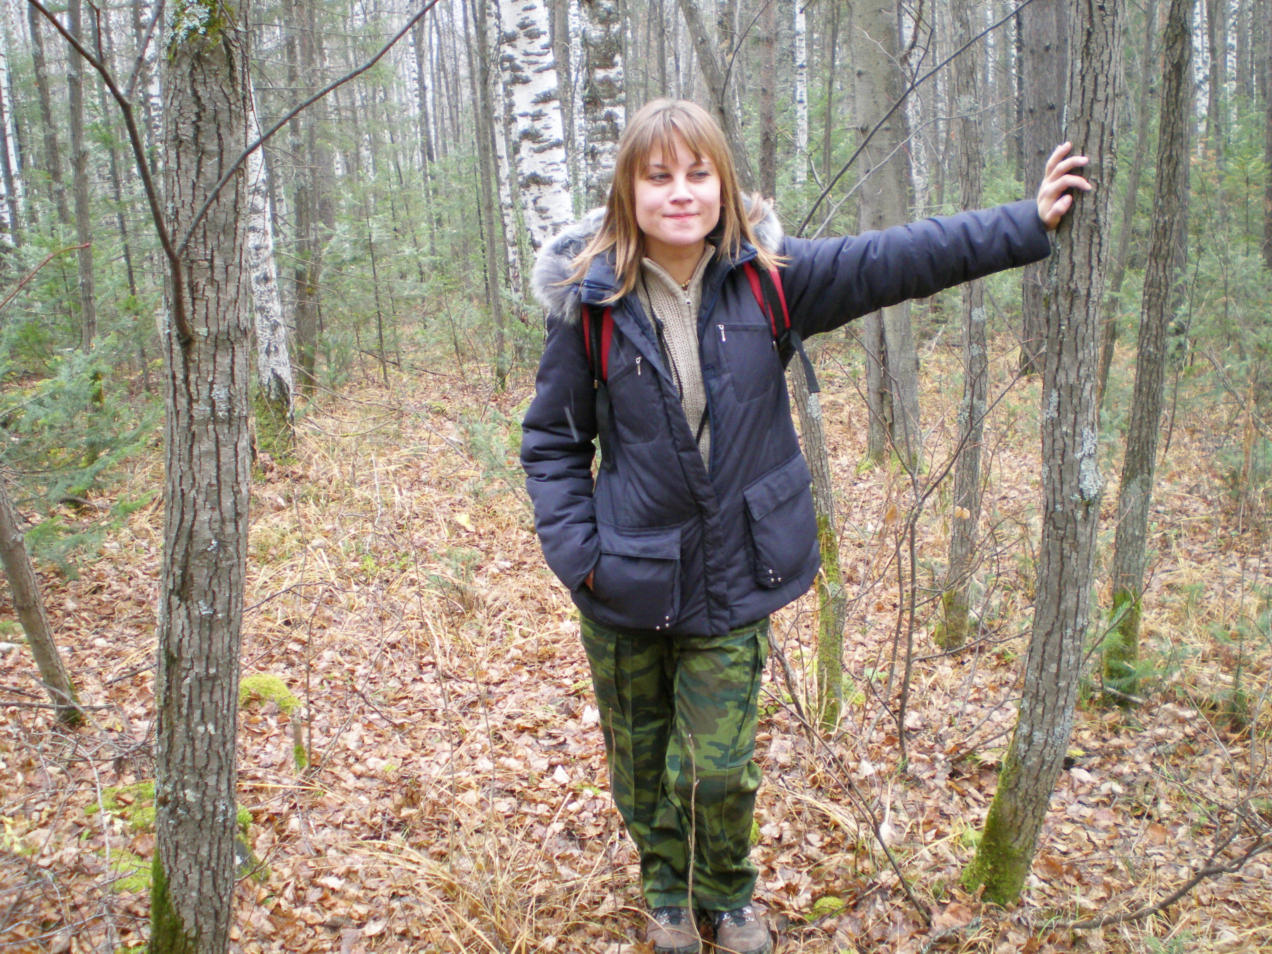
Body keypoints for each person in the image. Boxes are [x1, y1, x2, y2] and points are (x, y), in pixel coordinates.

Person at [520, 98, 1090, 954]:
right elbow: (552, 442)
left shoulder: (770, 278)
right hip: (625, 577)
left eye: (698, 173)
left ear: (723, 182)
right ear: (628, 192)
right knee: (640, 766)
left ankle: (726, 895)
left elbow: (898, 257)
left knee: (715, 770)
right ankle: (667, 895)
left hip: (730, 576)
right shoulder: (591, 304)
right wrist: (580, 558)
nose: (681, 192)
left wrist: (1025, 221)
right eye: (658, 176)